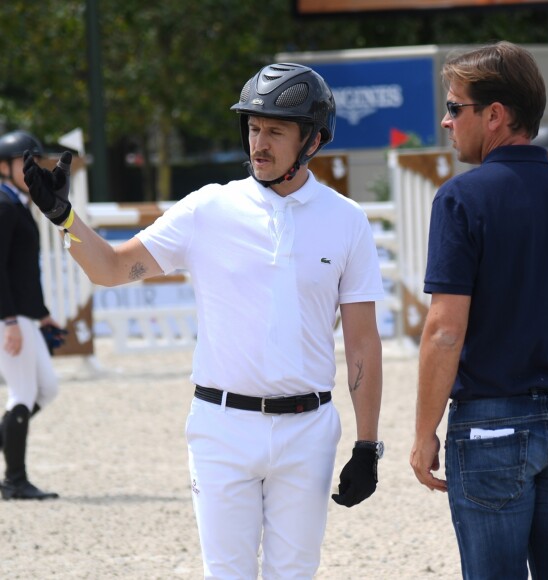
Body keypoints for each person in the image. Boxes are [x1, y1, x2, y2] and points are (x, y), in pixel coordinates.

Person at [23, 63, 385, 578]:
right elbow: (111, 268)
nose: (259, 142)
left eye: (276, 131)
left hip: (308, 430)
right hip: (221, 427)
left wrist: (368, 446)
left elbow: (363, 342)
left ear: (314, 140)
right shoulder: (207, 208)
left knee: (296, 574)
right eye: (254, 128)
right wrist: (63, 217)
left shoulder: (347, 220)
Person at [410, 41, 548, 579]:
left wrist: (423, 432)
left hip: (492, 424)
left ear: (495, 115)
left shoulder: (463, 199)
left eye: (454, 107)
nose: (445, 121)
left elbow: (443, 331)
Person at [0, 130, 65, 500]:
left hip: (23, 315)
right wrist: (9, 321)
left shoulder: (18, 204)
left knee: (47, 389)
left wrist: (41, 316)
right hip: (7, 317)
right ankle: (14, 480)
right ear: (4, 167)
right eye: (24, 165)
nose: (31, 172)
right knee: (22, 393)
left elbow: (24, 270)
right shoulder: (3, 205)